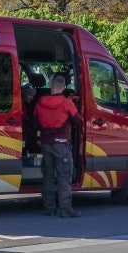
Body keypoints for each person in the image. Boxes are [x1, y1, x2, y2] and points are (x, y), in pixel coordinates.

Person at [33, 74, 83, 218]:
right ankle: (65, 209)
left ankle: (49, 207)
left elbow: (35, 123)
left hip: (46, 144)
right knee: (64, 178)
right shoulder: (66, 103)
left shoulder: (40, 102)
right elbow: (77, 121)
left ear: (51, 85)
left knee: (47, 177)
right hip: (62, 145)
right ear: (64, 87)